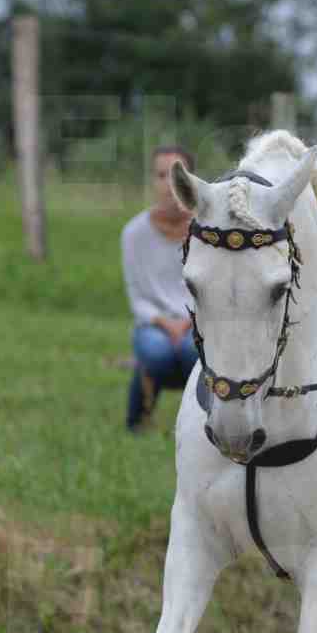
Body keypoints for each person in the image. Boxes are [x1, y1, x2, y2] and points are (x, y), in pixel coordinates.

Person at [123, 145, 199, 432]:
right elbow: (137, 296)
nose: (169, 185)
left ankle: (199, 427)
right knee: (157, 352)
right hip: (154, 323)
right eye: (160, 175)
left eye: (176, 175)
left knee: (196, 353)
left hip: (199, 321)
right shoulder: (134, 233)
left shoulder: (207, 230)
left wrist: (190, 321)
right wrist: (166, 323)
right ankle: (138, 422)